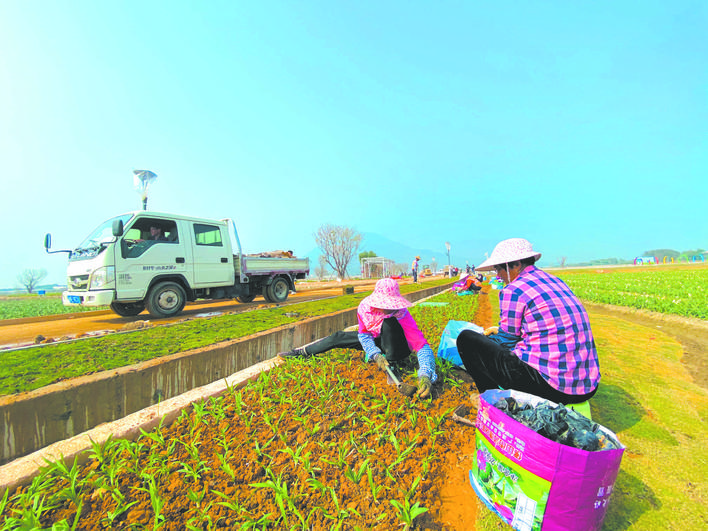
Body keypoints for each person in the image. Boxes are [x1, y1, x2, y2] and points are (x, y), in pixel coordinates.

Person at [456, 238, 600, 405]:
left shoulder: (514, 290)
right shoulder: (555, 280)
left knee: (467, 340)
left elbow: (506, 340)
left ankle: (491, 399)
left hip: (553, 387)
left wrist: (487, 342)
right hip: (587, 385)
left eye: (499, 269)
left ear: (515, 265)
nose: (498, 276)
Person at [278, 277, 437, 398]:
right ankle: (301, 352)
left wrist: (425, 374)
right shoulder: (365, 309)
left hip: (397, 345)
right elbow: (364, 335)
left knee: (388, 324)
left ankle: (392, 364)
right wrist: (375, 354)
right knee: (338, 337)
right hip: (378, 340)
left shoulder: (401, 313)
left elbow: (421, 345)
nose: (387, 309)